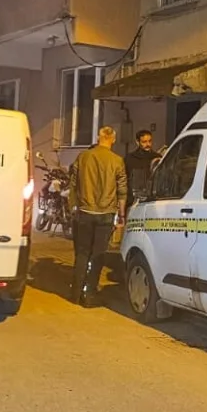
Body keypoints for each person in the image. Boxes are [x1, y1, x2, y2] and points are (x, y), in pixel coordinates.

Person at [67, 125, 127, 307]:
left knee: (82, 253)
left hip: (84, 211)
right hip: (106, 213)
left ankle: (75, 293)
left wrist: (73, 207)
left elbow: (73, 184)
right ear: (113, 139)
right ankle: (90, 294)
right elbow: (122, 190)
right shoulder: (117, 161)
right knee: (98, 255)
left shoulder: (83, 157)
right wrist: (121, 214)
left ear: (98, 137)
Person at [124, 129, 161, 205]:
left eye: (150, 141)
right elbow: (124, 179)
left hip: (152, 199)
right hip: (133, 200)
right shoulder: (130, 159)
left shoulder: (157, 158)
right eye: (144, 142)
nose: (148, 144)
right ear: (137, 142)